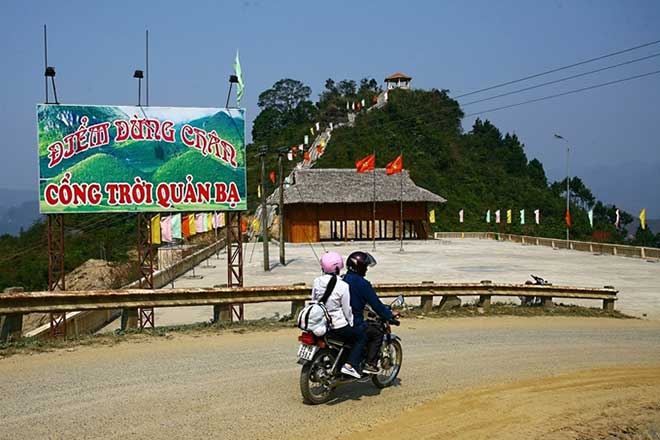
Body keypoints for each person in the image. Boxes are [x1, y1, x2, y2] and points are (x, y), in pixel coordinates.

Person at [312, 251, 366, 379]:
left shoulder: (317, 281)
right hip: (337, 324)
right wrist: (352, 323)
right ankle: (350, 366)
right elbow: (347, 309)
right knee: (361, 337)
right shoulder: (343, 285)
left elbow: (314, 300)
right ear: (338, 266)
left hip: (320, 323)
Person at [343, 251, 399, 374]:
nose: (366, 270)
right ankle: (369, 364)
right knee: (377, 333)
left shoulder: (342, 279)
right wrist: (389, 315)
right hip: (353, 322)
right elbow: (376, 305)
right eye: (365, 267)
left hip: (337, 322)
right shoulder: (363, 284)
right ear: (359, 267)